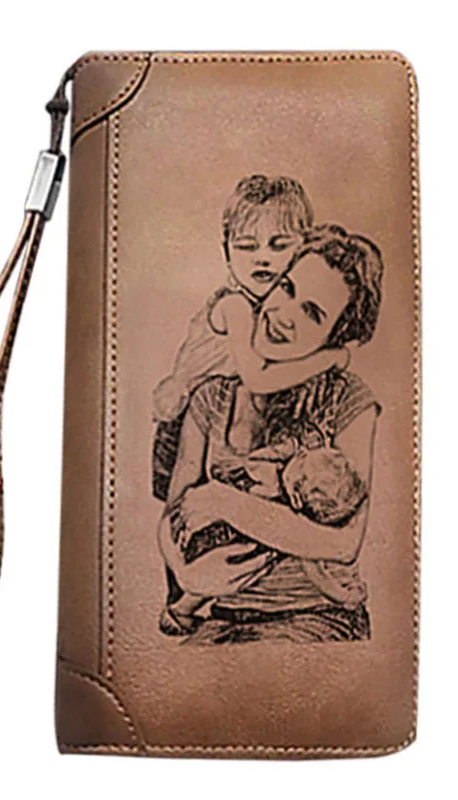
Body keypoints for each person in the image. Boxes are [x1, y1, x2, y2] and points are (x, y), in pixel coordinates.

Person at [157, 224, 383, 644]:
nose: (283, 314)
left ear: (335, 337)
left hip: (315, 617)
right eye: (286, 288)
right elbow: (176, 515)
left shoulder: (349, 401)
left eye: (312, 313)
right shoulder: (211, 399)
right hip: (221, 616)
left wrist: (222, 500)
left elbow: (343, 543)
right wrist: (187, 575)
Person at [152, 176, 347, 500]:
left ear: (303, 251)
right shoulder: (236, 307)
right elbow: (257, 378)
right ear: (226, 251)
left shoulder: (272, 306)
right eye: (246, 246)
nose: (262, 258)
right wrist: (328, 359)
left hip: (225, 421)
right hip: (184, 426)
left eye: (279, 245)